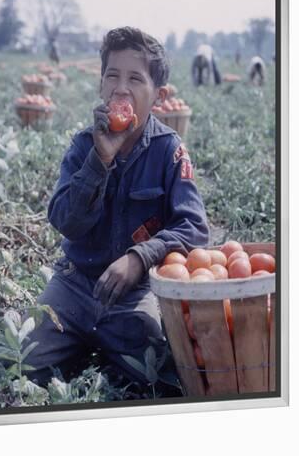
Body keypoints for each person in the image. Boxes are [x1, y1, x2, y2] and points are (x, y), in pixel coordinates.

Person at [21, 26, 210, 396]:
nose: (121, 88)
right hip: (73, 285)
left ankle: (105, 350)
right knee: (22, 363)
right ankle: (84, 347)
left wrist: (140, 258)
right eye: (112, 75)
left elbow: (194, 227)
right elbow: (65, 221)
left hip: (133, 295)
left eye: (135, 79)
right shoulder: (82, 146)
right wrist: (100, 159)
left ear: (159, 96)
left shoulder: (169, 151)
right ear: (101, 84)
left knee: (163, 375)